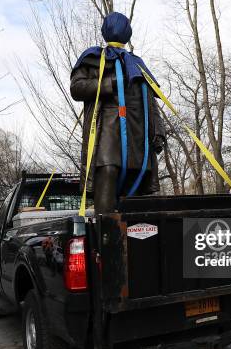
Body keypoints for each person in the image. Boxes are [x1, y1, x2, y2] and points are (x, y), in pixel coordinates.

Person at [70, 12, 166, 214]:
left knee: (139, 200)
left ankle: (139, 242)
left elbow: (150, 98)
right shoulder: (94, 58)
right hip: (107, 136)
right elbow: (77, 88)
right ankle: (108, 241)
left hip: (138, 137)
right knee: (108, 178)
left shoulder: (136, 63)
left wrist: (158, 130)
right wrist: (109, 84)